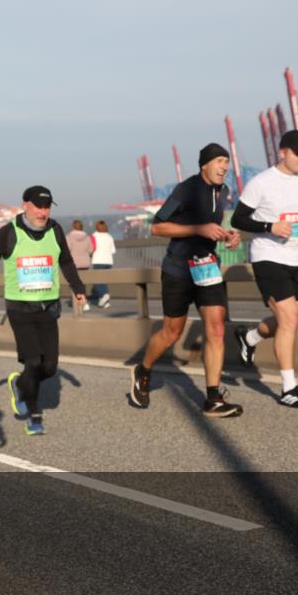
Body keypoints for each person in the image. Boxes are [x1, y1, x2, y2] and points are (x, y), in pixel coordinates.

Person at [129, 143, 243, 418]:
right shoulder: (186, 189)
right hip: (178, 270)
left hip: (207, 268)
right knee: (172, 332)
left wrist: (229, 234)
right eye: (219, 161)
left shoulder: (224, 191)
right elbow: (157, 226)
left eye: (226, 162)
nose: (224, 167)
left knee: (215, 329)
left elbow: (210, 226)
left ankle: (213, 398)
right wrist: (198, 229)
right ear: (204, 164)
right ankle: (143, 370)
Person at [0, 186, 87, 435]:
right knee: (33, 361)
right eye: (38, 206)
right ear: (25, 205)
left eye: (47, 207)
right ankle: (34, 414)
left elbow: (65, 260)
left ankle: (19, 384)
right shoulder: (10, 232)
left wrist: (78, 287)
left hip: (49, 307)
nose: (43, 212)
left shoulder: (55, 230)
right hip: (20, 308)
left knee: (49, 367)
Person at [231, 130, 298, 408]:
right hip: (268, 256)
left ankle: (249, 337)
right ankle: (289, 388)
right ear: (282, 152)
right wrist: (269, 227)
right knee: (287, 319)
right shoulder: (261, 183)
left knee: (292, 318)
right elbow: (239, 218)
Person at [65, 220, 93, 311]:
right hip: (85, 263)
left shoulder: (69, 237)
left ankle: (78, 302)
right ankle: (84, 301)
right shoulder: (87, 237)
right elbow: (91, 250)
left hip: (74, 264)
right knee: (83, 283)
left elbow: (67, 249)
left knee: (75, 283)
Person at [90, 220, 116, 308]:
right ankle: (105, 301)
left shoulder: (94, 236)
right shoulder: (109, 236)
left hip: (98, 260)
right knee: (104, 281)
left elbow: (91, 248)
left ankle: (103, 295)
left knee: (98, 281)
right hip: (108, 261)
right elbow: (113, 250)